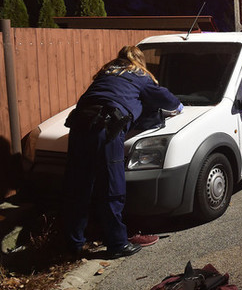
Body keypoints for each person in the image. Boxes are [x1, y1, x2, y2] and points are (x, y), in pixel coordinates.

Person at [62, 46, 183, 259]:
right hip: (105, 127)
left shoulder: (107, 73)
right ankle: (117, 243)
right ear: (139, 60)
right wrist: (179, 106)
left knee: (78, 187)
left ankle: (73, 244)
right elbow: (165, 98)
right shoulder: (139, 74)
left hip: (79, 125)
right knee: (111, 186)